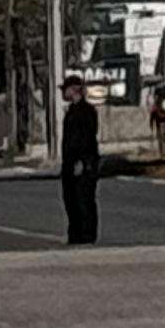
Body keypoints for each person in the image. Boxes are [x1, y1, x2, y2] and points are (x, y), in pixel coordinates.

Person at [57, 75, 104, 245]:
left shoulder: (86, 111)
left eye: (66, 89)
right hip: (70, 164)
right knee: (71, 200)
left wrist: (81, 161)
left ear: (74, 90)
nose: (63, 92)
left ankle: (86, 235)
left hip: (83, 163)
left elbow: (85, 138)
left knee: (83, 200)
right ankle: (75, 234)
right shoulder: (71, 111)